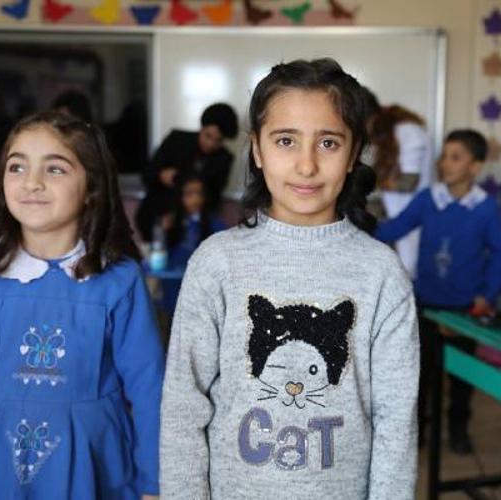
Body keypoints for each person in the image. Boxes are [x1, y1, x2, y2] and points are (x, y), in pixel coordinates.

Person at [159, 58, 419, 499]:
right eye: (285, 141)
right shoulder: (216, 262)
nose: (306, 165)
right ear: (257, 150)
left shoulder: (382, 273)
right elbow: (184, 406)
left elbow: (396, 421)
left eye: (328, 143)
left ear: (354, 153)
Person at [0, 111, 164, 499]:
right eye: (17, 167)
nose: (31, 182)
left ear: (91, 188)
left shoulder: (120, 280)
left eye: (55, 169)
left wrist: (153, 484)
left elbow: (150, 386)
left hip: (94, 471)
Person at [376, 129, 501, 454]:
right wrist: (356, 227)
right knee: (421, 374)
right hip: (427, 304)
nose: (445, 163)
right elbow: (395, 228)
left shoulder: (485, 207)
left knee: (462, 377)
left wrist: (488, 295)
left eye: (455, 157)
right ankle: (418, 433)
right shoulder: (428, 198)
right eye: (444, 156)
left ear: (475, 167)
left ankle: (458, 430)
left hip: (465, 310)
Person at [136, 103, 238, 241]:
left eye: (218, 140)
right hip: (156, 218)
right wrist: (161, 175)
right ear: (202, 128)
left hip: (193, 228)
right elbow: (147, 174)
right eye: (208, 136)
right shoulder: (177, 140)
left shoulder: (224, 159)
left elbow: (214, 199)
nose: (211, 144)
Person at [366, 94, 433, 277]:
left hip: (408, 218)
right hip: (395, 221)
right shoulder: (385, 135)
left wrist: (368, 182)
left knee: (404, 274)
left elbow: (408, 182)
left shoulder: (408, 131)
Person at [158, 173, 226, 317]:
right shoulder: (171, 222)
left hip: (202, 287)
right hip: (174, 283)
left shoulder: (213, 223)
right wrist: (163, 231)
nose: (195, 199)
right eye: (189, 194)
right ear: (179, 197)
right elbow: (161, 252)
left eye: (199, 194)